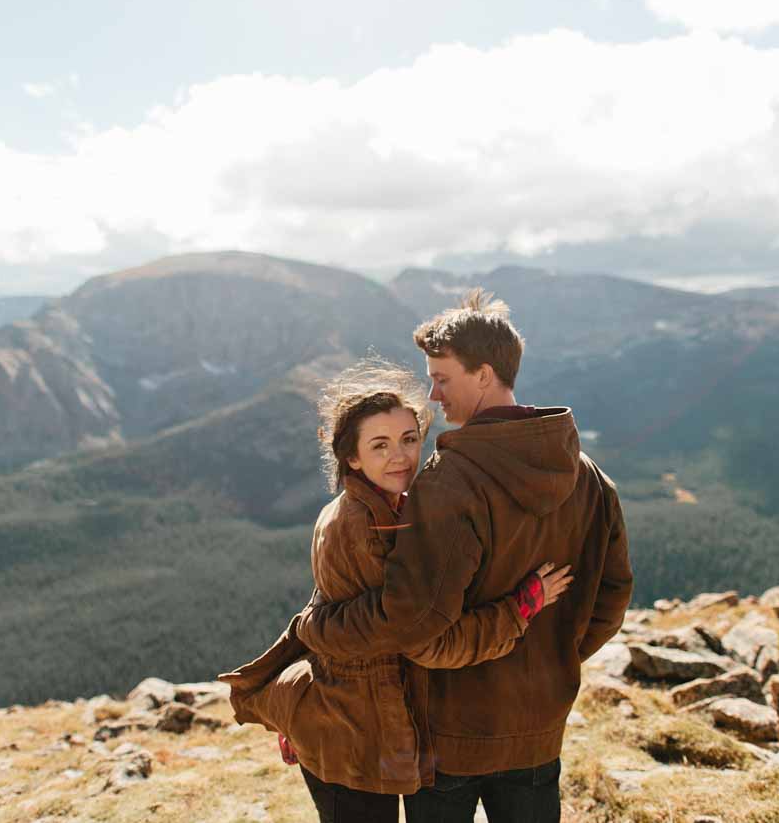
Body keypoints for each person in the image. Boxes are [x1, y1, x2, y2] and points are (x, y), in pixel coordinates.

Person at [294, 290, 634, 823]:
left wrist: (317, 629)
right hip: (540, 726)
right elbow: (611, 598)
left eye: (442, 378)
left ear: (483, 375)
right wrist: (551, 659)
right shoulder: (589, 476)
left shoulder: (450, 485)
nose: (432, 395)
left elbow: (418, 633)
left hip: (452, 733)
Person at [220, 359, 572, 823]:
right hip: (347, 734)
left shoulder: (388, 506)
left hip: (355, 726)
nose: (400, 456)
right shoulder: (360, 523)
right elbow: (419, 636)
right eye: (379, 445)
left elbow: (332, 608)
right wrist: (519, 608)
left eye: (409, 440)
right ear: (352, 457)